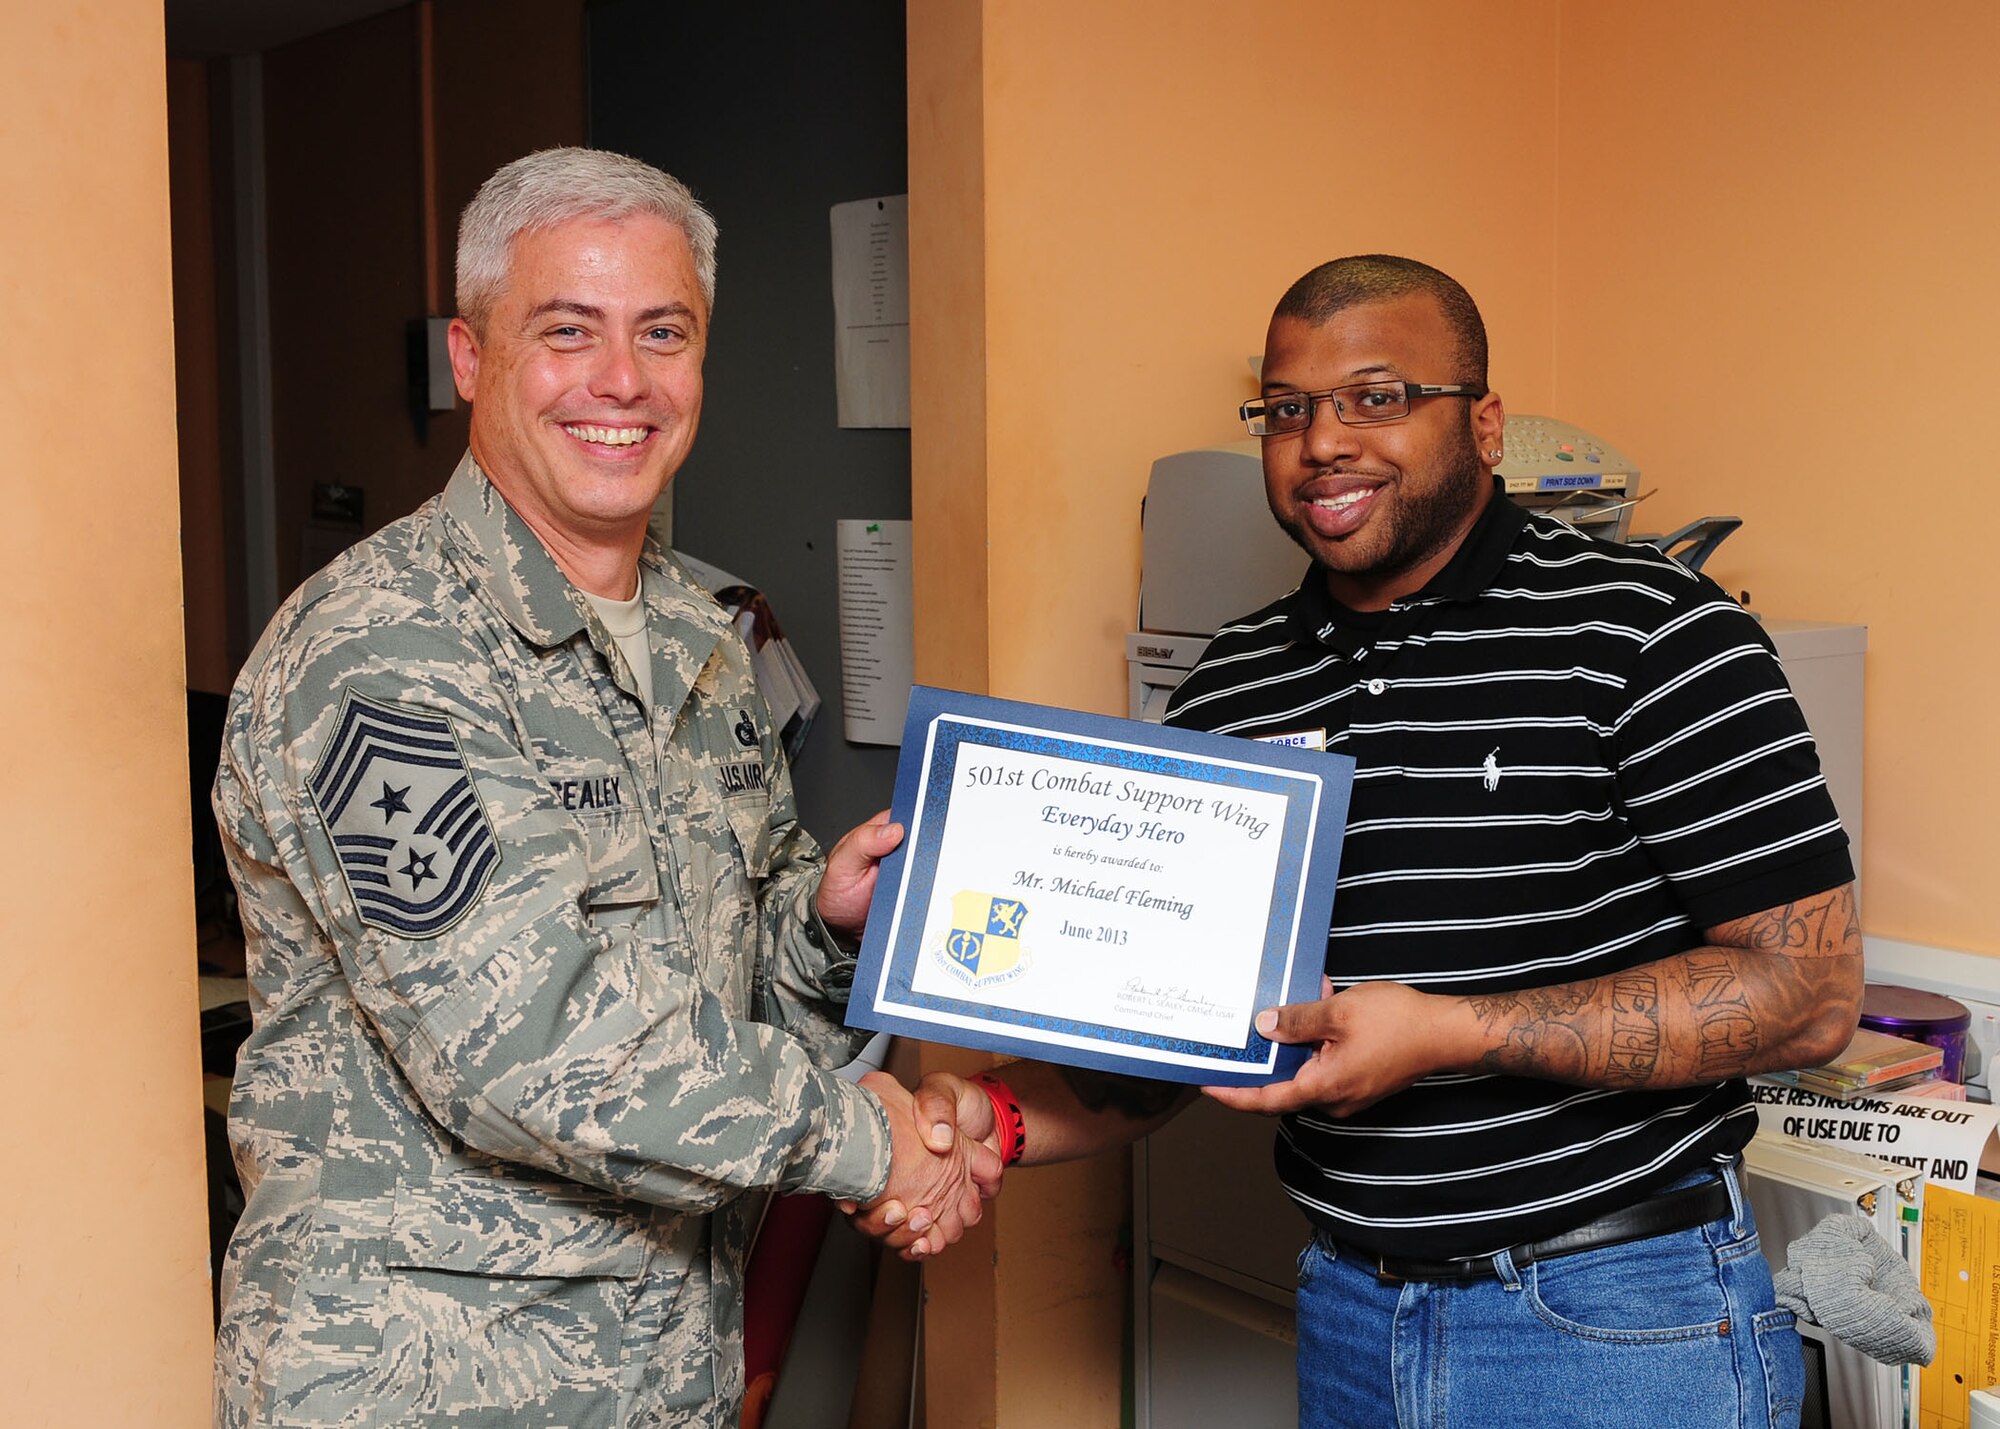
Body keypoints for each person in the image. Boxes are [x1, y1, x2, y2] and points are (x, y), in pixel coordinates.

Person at [864, 255, 1861, 1428]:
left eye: (1374, 397)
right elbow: (1174, 1031)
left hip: (1616, 1318)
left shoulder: (1647, 629)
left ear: (1483, 423)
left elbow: (1808, 995)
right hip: (1351, 1313)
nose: (1322, 441)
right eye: (1287, 409)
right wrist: (994, 1119)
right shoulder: (1234, 682)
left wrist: (1448, 1031)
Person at [211, 147, 993, 1429]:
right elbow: (527, 1046)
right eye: (567, 331)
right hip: (430, 1388)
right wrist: (871, 1143)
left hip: (660, 1373)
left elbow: (719, 986)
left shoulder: (701, 633)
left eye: (662, 332)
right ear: (472, 357)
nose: (622, 381)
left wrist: (822, 925)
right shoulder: (381, 651)